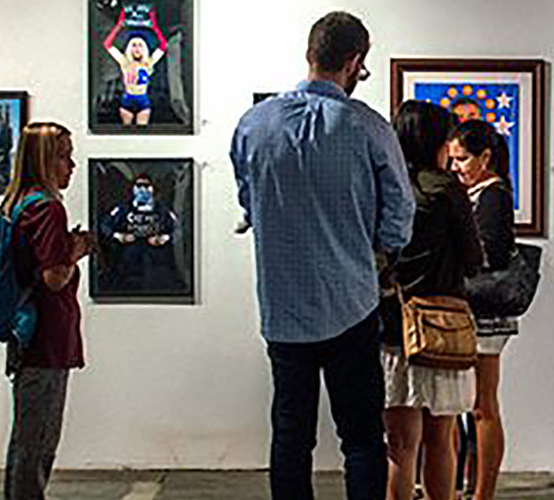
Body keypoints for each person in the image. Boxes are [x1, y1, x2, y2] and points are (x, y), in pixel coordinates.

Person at [230, 11, 415, 500]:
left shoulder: (255, 124)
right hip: (351, 301)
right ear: (354, 62)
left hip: (283, 307)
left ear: (311, 55)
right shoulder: (369, 128)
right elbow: (400, 213)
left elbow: (248, 200)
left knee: (291, 434)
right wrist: (375, 251)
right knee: (360, 437)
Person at [381, 101, 482, 500]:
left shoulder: (383, 188)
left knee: (399, 447)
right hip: (442, 326)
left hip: (393, 326)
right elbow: (473, 259)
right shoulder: (448, 190)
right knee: (441, 440)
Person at [0, 122, 96, 500]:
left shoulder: (20, 203)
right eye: (63, 156)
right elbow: (54, 277)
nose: (71, 165)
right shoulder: (46, 208)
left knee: (28, 439)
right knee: (37, 442)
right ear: (42, 160)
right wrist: (78, 249)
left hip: (30, 335)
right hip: (45, 338)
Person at [448, 120, 517, 500]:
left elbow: (489, 252)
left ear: (485, 157)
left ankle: (483, 493)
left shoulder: (493, 195)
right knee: (461, 406)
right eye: (453, 158)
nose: (455, 166)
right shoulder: (474, 192)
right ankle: (464, 487)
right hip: (469, 311)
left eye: (462, 158)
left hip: (485, 316)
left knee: (481, 406)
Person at [99, 173, 184, 294]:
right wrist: (118, 236)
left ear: (153, 189)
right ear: (133, 189)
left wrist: (164, 238)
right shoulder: (122, 209)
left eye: (147, 186)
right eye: (139, 186)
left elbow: (178, 230)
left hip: (156, 267)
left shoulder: (163, 211)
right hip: (126, 267)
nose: (142, 190)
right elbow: (104, 227)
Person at [104, 6, 167, 126]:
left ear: (144, 48)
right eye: (134, 45)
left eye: (140, 45)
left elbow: (163, 47)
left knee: (142, 132)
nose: (137, 48)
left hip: (143, 100)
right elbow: (107, 45)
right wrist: (119, 26)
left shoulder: (149, 62)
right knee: (127, 131)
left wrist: (155, 27)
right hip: (127, 99)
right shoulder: (124, 62)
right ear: (129, 48)